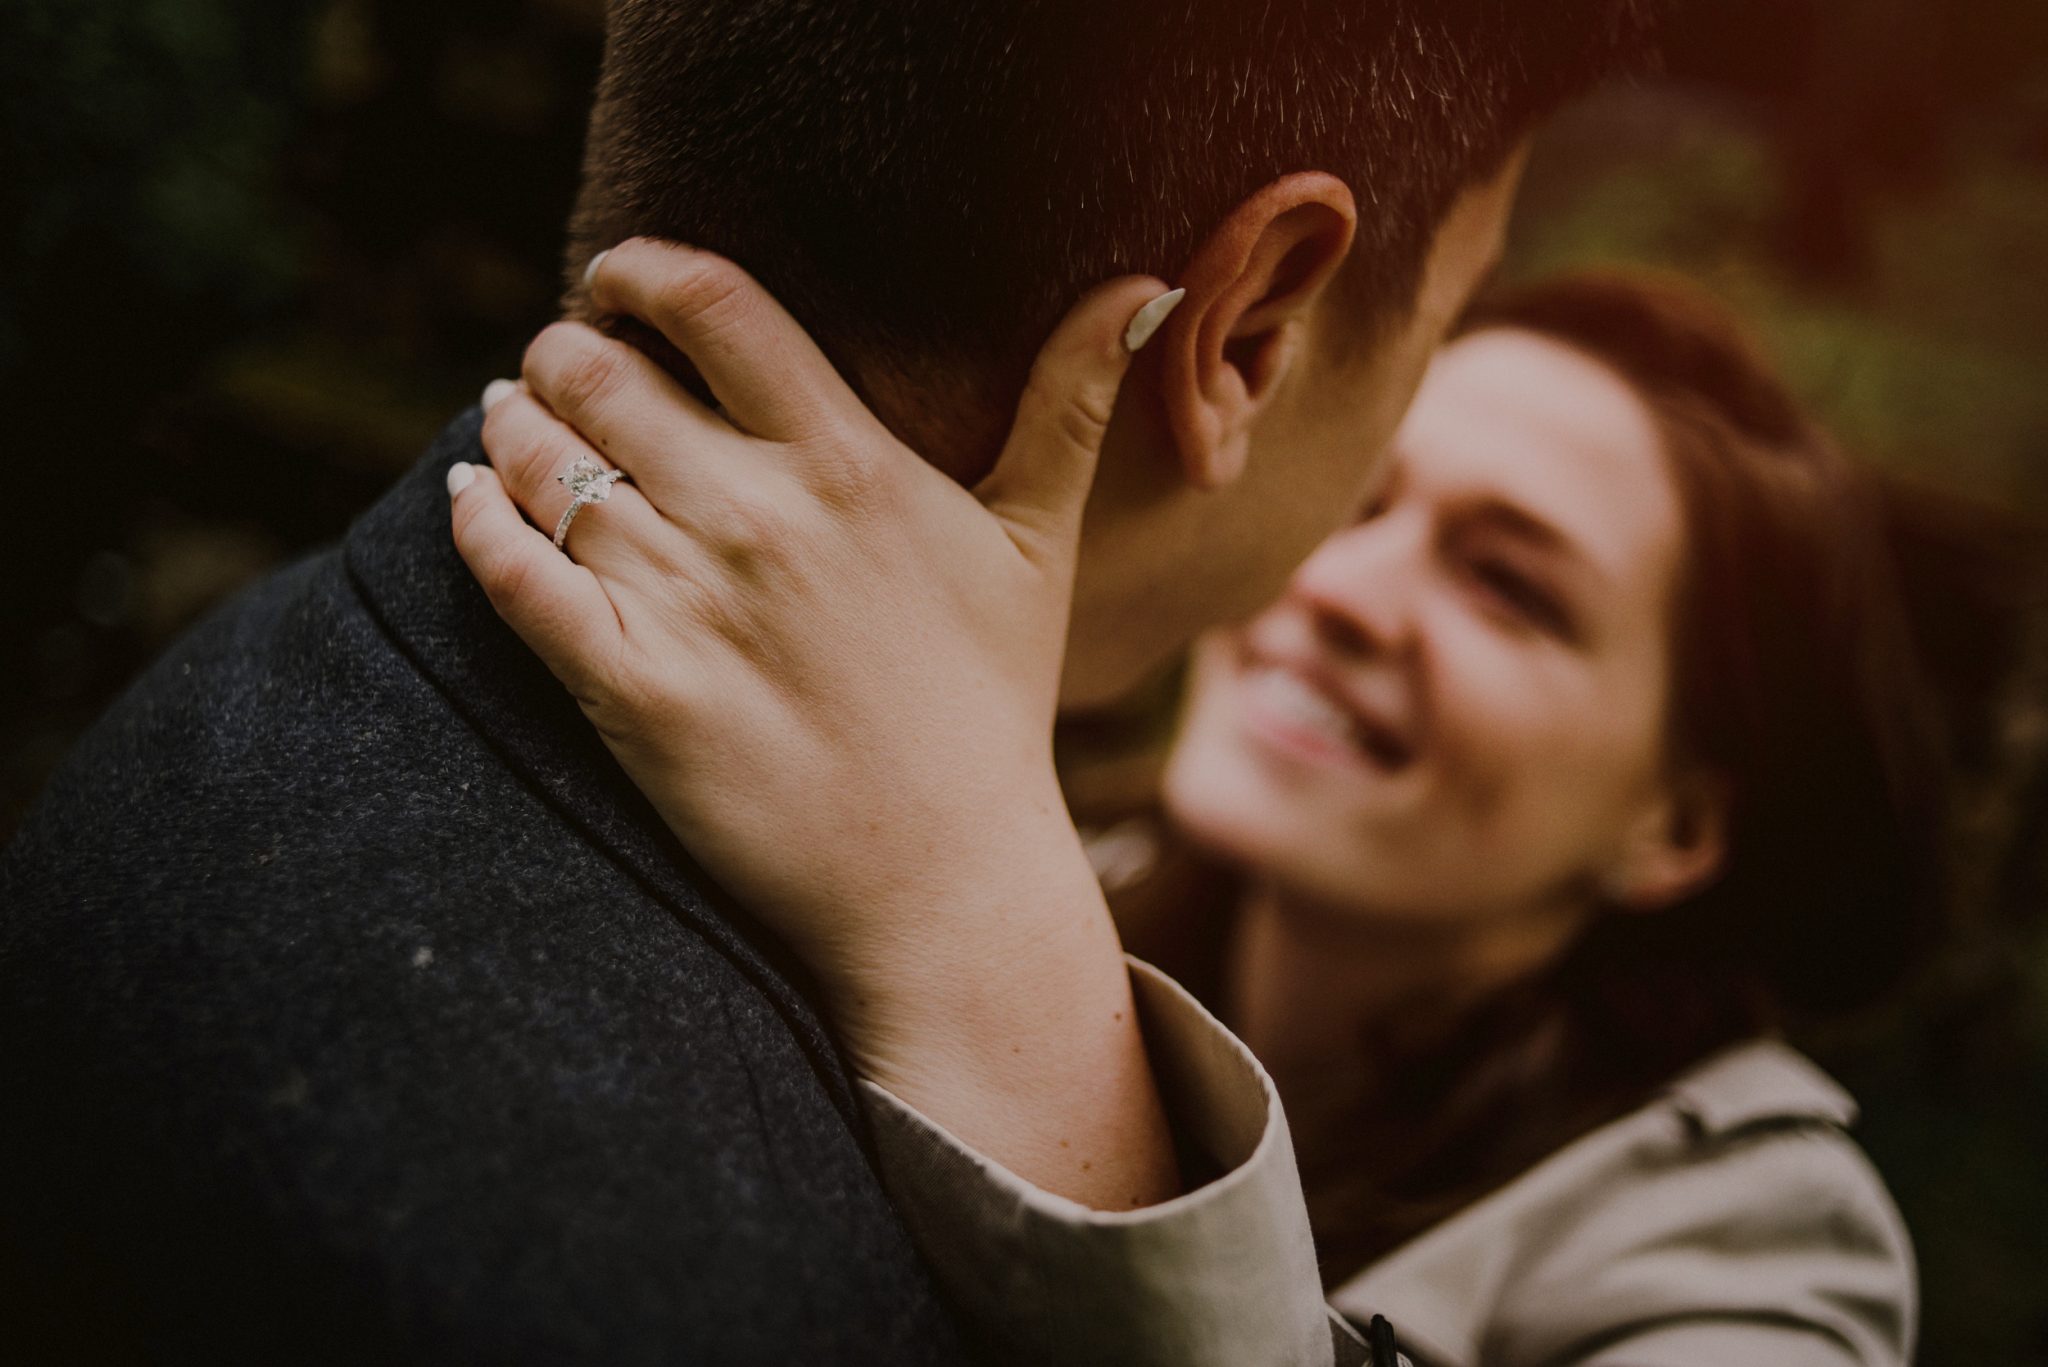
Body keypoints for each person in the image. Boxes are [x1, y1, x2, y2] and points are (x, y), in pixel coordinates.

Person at [0, 2, 1658, 1361]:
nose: (1369, 587)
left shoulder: (259, 700)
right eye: (1459, 310)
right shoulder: (683, 1275)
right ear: (1246, 323)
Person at [450, 269, 1943, 1365]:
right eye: (1363, 506)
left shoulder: (1762, 1257)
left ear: (1674, 825)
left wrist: (974, 937)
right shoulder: (1019, 855)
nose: (1342, 594)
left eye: (1510, 585)